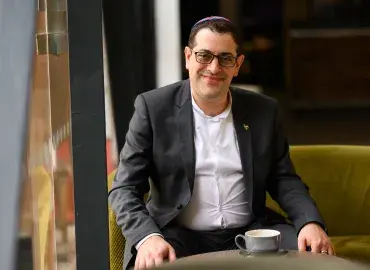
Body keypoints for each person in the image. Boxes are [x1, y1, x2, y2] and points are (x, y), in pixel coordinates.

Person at [108, 16, 334, 270]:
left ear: (238, 65)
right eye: (204, 55)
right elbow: (124, 189)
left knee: (317, 261)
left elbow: (284, 179)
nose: (214, 68)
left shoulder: (264, 110)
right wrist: (148, 238)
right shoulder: (153, 108)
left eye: (225, 58)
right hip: (178, 235)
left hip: (252, 234)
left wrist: (309, 222)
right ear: (187, 57)